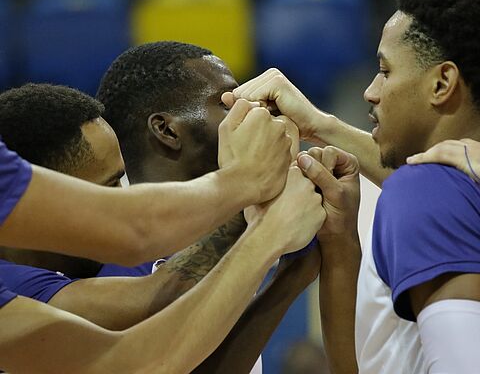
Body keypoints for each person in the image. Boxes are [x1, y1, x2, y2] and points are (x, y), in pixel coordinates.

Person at [227, 0, 480, 373]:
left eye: (385, 70)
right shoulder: (446, 185)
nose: (370, 91)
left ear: (442, 83)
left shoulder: (423, 190)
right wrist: (341, 243)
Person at [0, 112, 326, 372]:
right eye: (109, 186)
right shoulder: (22, 282)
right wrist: (256, 201)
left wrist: (290, 266)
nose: (119, 198)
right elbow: (136, 234)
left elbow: (146, 361)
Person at [97, 40, 323, 373]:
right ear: (167, 130)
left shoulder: (246, 229)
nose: (256, 111)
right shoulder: (110, 258)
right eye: (228, 102)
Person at [1, 86, 293, 266]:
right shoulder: (117, 268)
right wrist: (249, 180)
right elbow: (151, 358)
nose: (247, 110)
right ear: (166, 129)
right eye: (224, 103)